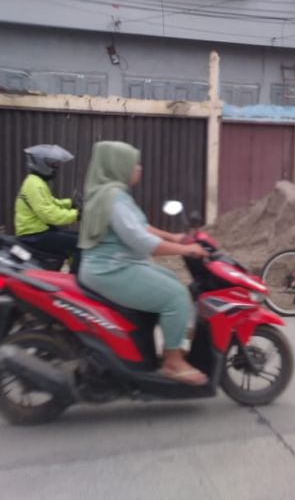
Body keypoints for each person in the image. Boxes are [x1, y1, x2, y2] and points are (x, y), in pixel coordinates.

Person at [77, 141, 209, 386]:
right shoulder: (114, 197)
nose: (139, 168)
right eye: (133, 163)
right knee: (176, 296)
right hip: (111, 269)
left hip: (111, 266)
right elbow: (140, 239)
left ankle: (173, 336)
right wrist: (186, 248)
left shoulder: (110, 193)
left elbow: (138, 226)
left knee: (171, 280)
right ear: (118, 166)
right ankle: (172, 361)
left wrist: (172, 237)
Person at [14, 144, 80, 272]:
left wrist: (70, 203)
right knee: (79, 243)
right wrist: (76, 215)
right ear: (41, 164)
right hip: (34, 236)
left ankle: (70, 275)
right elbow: (49, 214)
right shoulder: (35, 184)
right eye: (53, 164)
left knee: (77, 238)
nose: (56, 168)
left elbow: (50, 203)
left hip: (40, 231)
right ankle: (73, 283)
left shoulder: (36, 182)